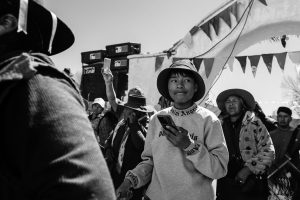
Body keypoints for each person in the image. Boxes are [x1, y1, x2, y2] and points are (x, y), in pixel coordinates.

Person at [0, 0, 115, 199]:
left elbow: (90, 193)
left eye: (97, 105)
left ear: (7, 23)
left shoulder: (36, 85)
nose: (95, 107)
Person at [116, 59, 229, 200]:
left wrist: (189, 146)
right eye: (174, 80)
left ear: (195, 87)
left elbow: (219, 169)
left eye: (187, 80)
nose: (180, 85)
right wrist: (129, 181)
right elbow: (150, 162)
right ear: (168, 87)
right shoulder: (157, 119)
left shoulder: (209, 120)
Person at [216, 88, 275, 200]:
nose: (231, 104)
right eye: (228, 101)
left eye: (235, 101)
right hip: (225, 182)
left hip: (252, 183)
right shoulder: (218, 125)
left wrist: (248, 169)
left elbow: (268, 151)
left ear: (242, 104)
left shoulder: (255, 123)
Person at [102, 71, 151, 200]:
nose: (126, 110)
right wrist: (107, 149)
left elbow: (141, 145)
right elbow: (112, 99)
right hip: (115, 174)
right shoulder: (122, 120)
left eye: (130, 109)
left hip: (133, 182)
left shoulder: (148, 124)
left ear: (139, 111)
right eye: (127, 108)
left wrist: (134, 124)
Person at [268, 107, 300, 200]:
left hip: (293, 174)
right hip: (273, 175)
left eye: (285, 116)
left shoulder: (297, 134)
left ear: (290, 118)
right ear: (277, 118)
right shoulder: (270, 135)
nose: (282, 119)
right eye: (280, 116)